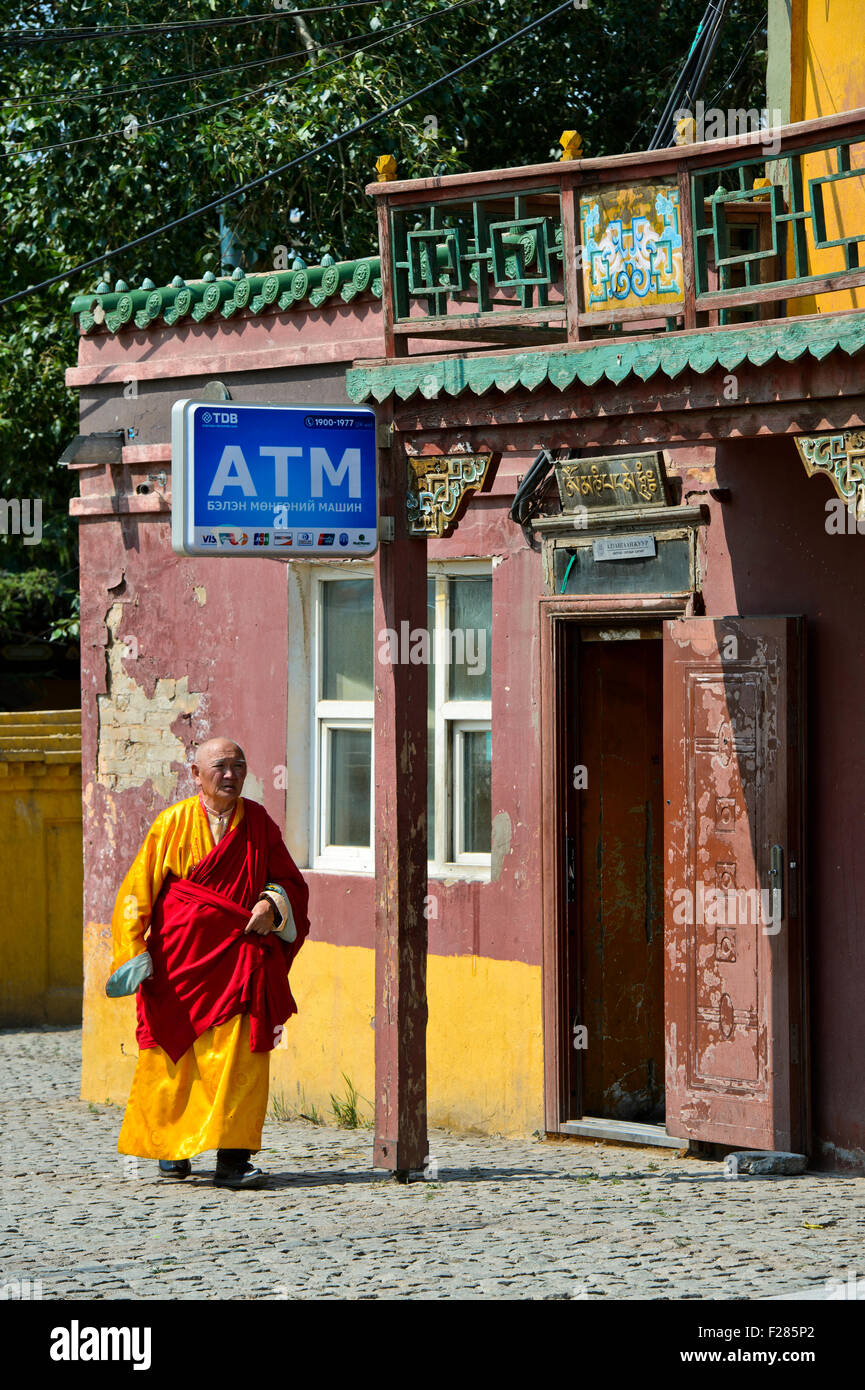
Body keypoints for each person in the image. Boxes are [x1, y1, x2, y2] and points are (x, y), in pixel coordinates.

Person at [106, 737, 310, 1189]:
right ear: (195, 774)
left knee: (240, 1063)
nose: (231, 774)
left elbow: (290, 882)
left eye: (238, 765)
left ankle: (234, 1159)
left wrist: (272, 904)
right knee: (173, 1056)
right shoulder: (172, 823)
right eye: (219, 766)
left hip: (240, 963)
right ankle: (171, 1149)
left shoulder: (258, 822)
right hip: (179, 968)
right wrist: (135, 953)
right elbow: (136, 894)